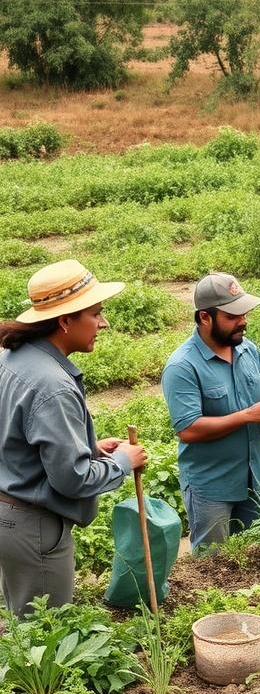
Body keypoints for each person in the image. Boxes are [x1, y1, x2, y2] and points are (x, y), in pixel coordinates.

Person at [0, 260, 147, 615]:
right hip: (34, 527)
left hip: (9, 515)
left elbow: (16, 437)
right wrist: (122, 463)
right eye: (95, 313)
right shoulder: (53, 385)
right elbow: (72, 479)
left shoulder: (12, 358)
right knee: (46, 639)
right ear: (65, 322)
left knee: (24, 627)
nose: (103, 323)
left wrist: (86, 448)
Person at [162, 272, 260, 552]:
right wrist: (248, 415)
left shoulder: (248, 350)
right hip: (211, 486)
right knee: (213, 566)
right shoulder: (183, 366)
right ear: (204, 318)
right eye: (233, 316)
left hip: (254, 478)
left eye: (244, 313)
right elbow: (188, 429)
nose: (243, 321)